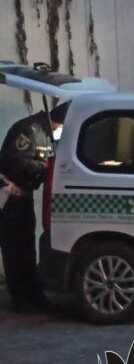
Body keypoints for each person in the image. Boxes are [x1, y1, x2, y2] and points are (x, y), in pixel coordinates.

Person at [0, 108, 55, 313]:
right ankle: (19, 298)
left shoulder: (47, 132)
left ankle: (33, 293)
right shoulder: (28, 130)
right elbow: (17, 162)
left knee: (28, 246)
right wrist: (44, 167)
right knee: (14, 248)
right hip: (8, 197)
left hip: (24, 197)